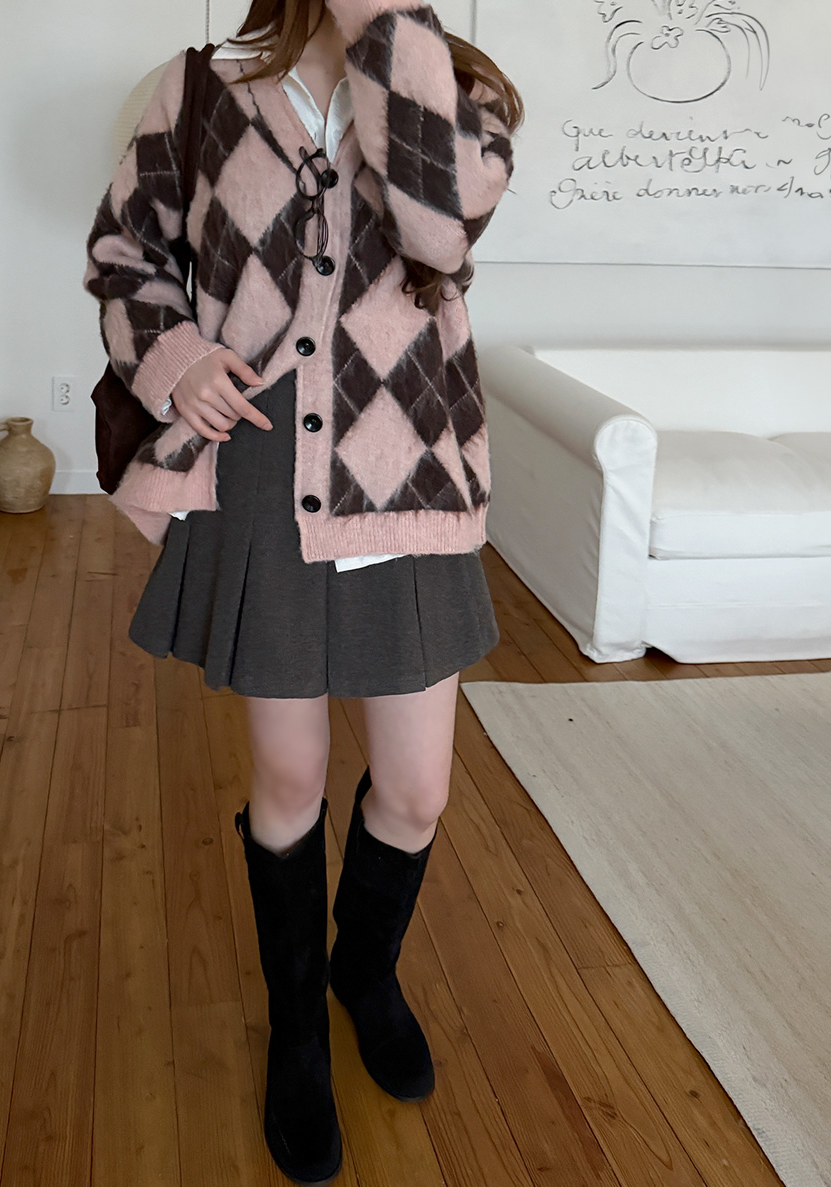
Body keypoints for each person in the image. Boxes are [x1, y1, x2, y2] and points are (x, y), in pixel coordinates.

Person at [84, 1, 522, 1182]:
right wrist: (177, 361)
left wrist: (387, 32)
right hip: (265, 467)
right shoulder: (199, 89)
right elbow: (125, 253)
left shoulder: (460, 94)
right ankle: (297, 1032)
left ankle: (362, 971)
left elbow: (437, 232)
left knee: (417, 788)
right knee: (288, 777)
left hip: (406, 471)